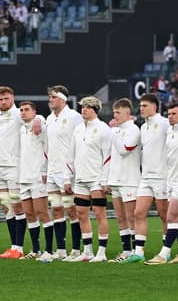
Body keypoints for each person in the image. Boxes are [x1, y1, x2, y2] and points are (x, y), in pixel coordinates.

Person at [0, 86, 33, 260]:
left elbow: (35, 117)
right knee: (6, 206)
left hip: (15, 167)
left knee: (17, 206)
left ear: (12, 98)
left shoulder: (19, 114)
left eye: (6, 99)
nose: (3, 102)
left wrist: (39, 120)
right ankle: (13, 247)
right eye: (0, 99)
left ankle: (18, 247)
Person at [147, 103, 178, 265]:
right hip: (171, 179)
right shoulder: (169, 131)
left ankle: (164, 253)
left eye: (174, 113)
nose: (170, 116)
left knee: (171, 216)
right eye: (169, 114)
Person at [68, 97, 114, 263]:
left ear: (95, 109)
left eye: (87, 107)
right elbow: (71, 155)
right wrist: (69, 177)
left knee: (99, 213)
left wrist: (105, 180)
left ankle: (101, 252)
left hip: (97, 179)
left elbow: (108, 157)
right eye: (82, 107)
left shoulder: (103, 129)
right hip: (81, 178)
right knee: (81, 214)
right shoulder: (78, 129)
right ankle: (87, 251)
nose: (83, 110)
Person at [126, 94, 170, 263]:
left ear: (154, 107)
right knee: (138, 213)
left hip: (162, 176)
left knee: (164, 215)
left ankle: (166, 251)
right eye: (141, 105)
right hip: (146, 177)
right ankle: (139, 252)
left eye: (144, 105)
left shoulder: (165, 124)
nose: (141, 108)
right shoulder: (143, 127)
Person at [43, 85, 82, 262]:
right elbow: (47, 147)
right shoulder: (49, 119)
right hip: (52, 171)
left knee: (72, 210)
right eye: (49, 97)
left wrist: (72, 171)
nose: (50, 100)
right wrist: (45, 169)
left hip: (68, 172)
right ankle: (61, 250)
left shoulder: (74, 117)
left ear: (63, 99)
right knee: (56, 210)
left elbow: (81, 144)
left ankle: (75, 249)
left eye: (53, 97)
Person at [107, 98, 141, 263]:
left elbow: (123, 150)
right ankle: (126, 251)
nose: (115, 115)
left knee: (131, 216)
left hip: (129, 179)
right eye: (114, 112)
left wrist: (113, 132)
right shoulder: (117, 131)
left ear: (128, 113)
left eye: (118, 112)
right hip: (115, 179)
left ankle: (136, 250)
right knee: (120, 217)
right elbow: (110, 156)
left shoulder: (133, 130)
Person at [18, 101, 51, 260]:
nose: (23, 112)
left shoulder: (40, 126)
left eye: (26, 110)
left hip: (38, 177)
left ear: (34, 111)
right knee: (29, 214)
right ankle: (36, 249)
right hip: (24, 178)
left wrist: (39, 119)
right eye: (21, 110)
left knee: (42, 213)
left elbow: (47, 148)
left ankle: (49, 250)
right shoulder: (21, 129)